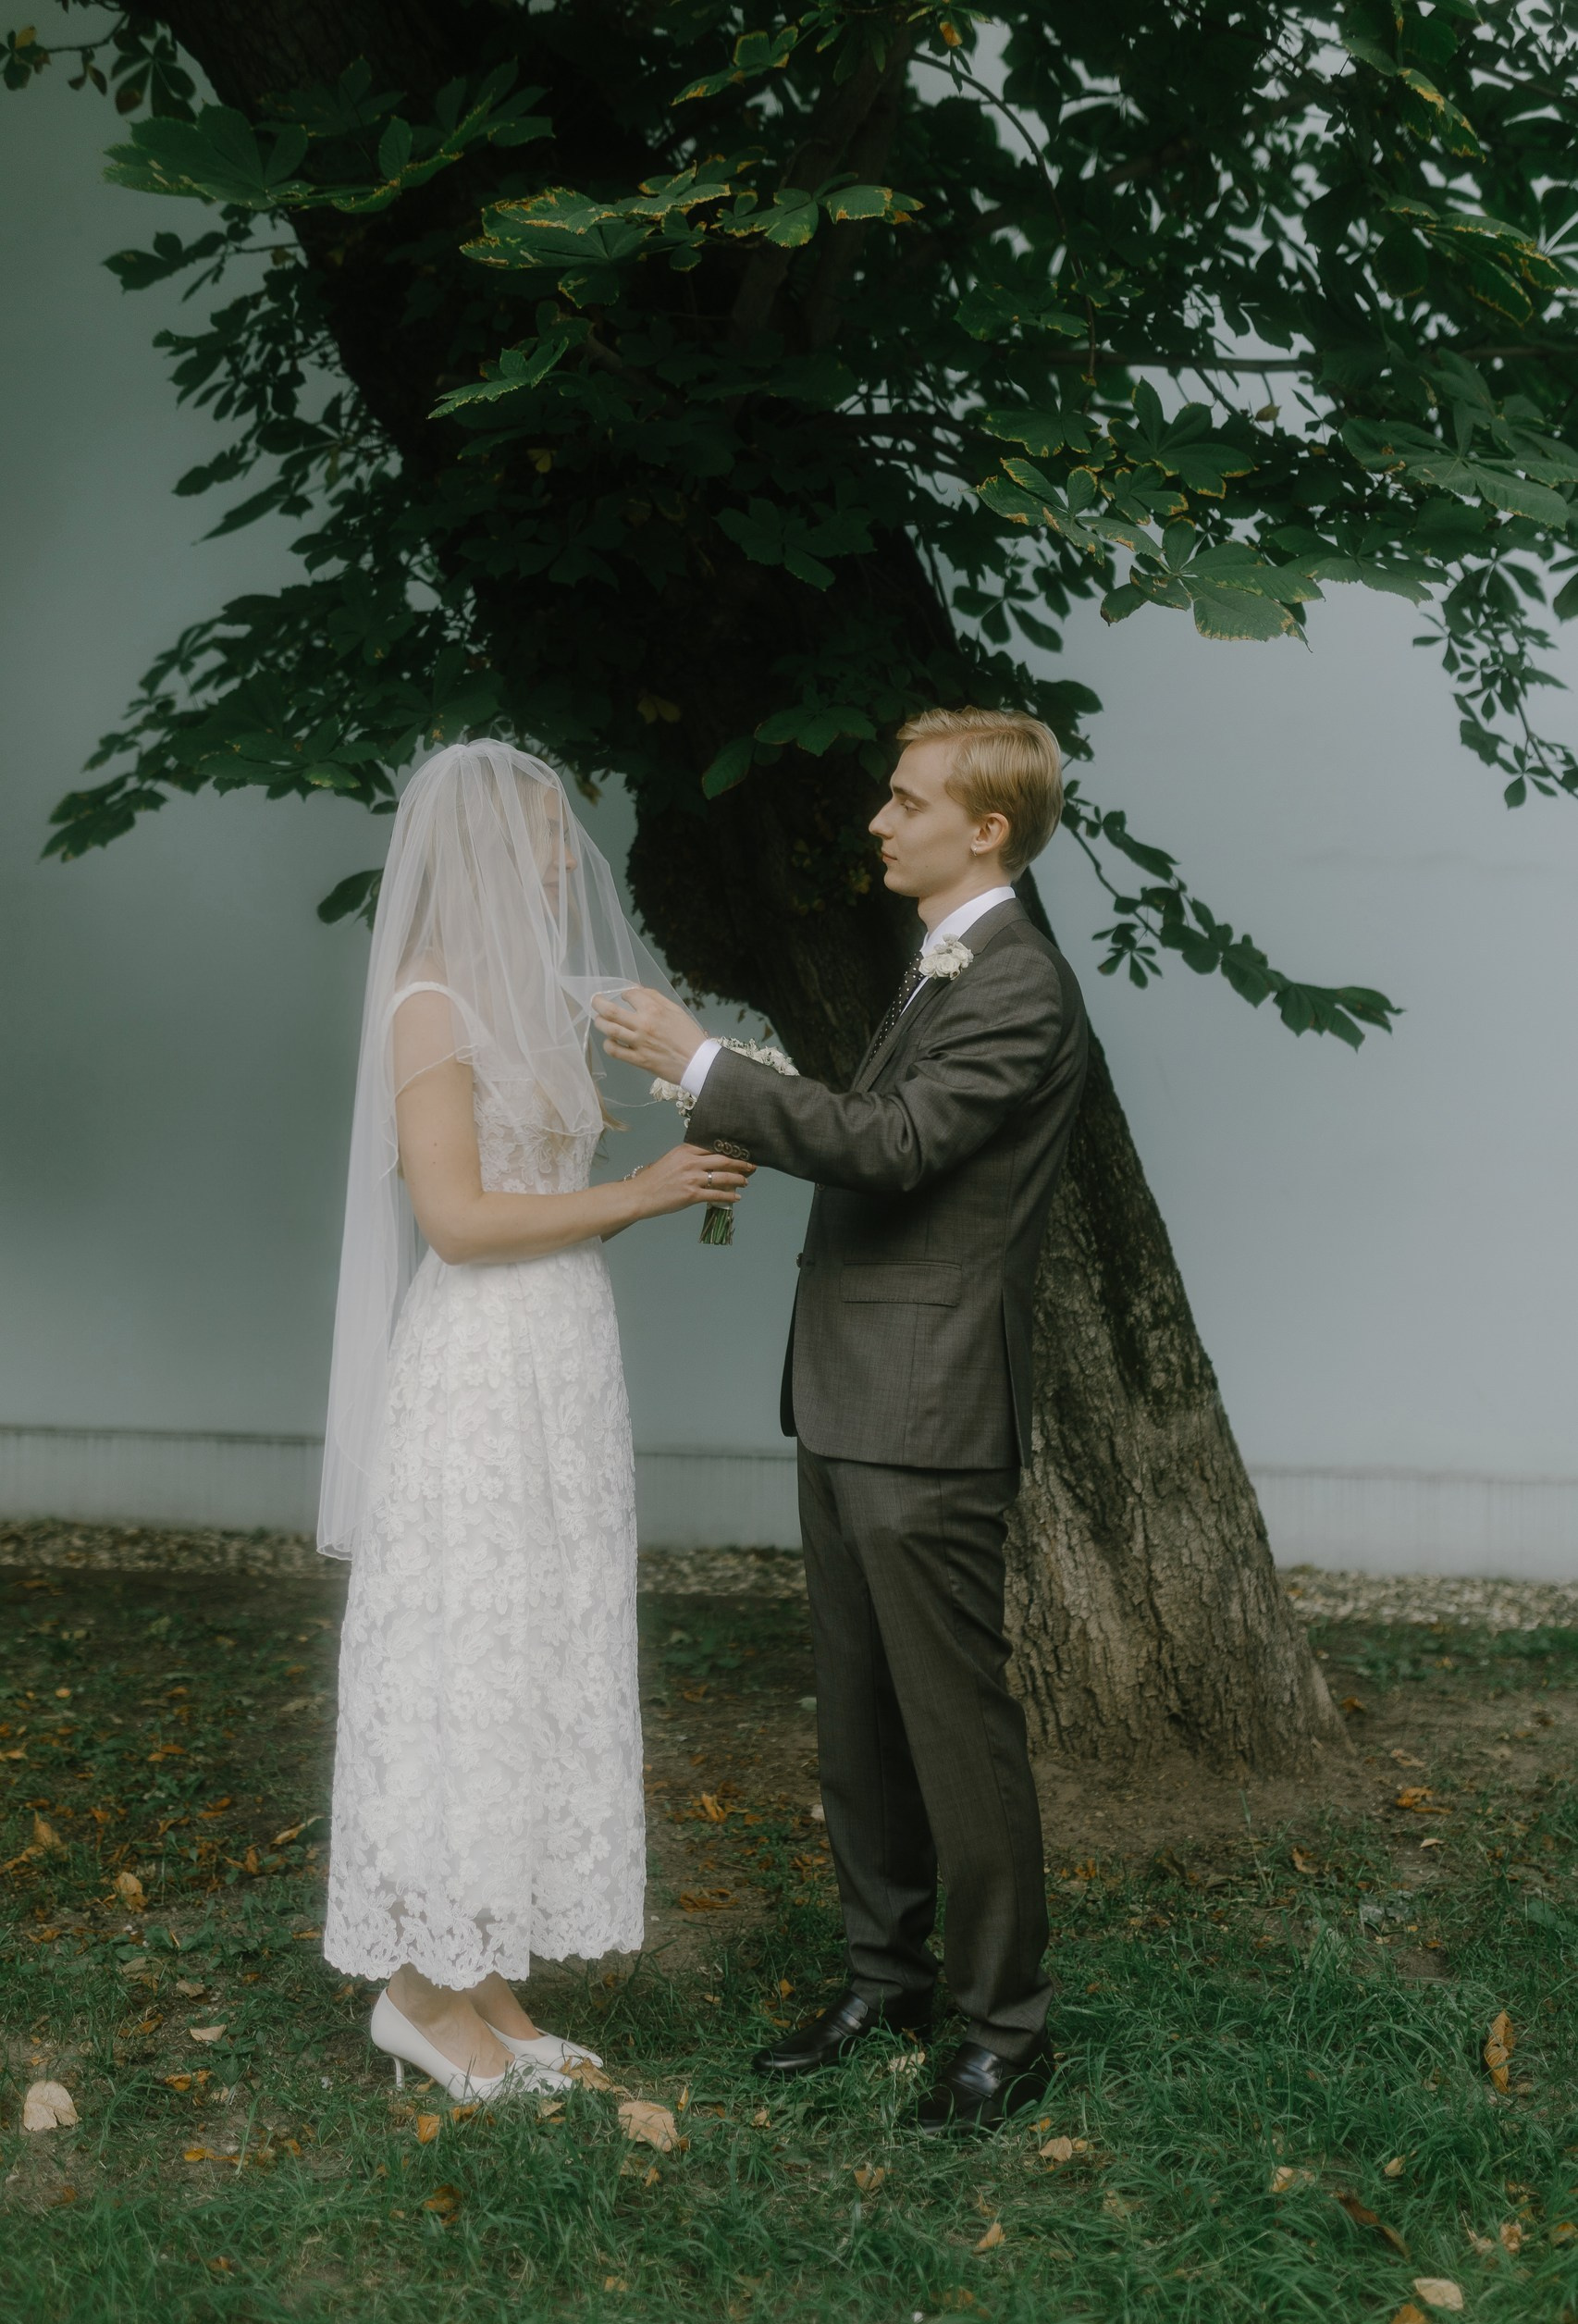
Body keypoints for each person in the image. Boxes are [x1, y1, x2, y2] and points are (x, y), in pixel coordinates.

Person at [595, 706, 1089, 2133]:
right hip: (855, 1394)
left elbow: (899, 1146)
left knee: (954, 1735)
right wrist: (734, 1107)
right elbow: (887, 1140)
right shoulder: (942, 965)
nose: (877, 820)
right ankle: (889, 1980)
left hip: (929, 1409)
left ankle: (1005, 2030)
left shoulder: (1017, 981)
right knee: (861, 1729)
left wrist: (708, 1065)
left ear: (983, 830)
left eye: (904, 801)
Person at [317, 740, 753, 2100]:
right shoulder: (430, 1003)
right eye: (549, 836)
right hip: (480, 1365)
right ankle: (414, 1996)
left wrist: (676, 1144)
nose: (572, 858)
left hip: (563, 1355)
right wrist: (645, 1192)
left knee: (538, 1653)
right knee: (469, 1652)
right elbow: (456, 1221)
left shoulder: (531, 1004)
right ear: (485, 855)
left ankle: (485, 1976)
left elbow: (542, 1196)